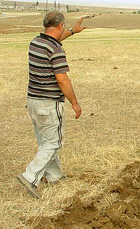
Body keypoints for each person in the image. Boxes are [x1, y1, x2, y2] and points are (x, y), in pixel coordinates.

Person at [16, 11, 87, 198]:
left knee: (46, 141)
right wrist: (75, 103)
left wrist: (73, 31)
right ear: (60, 25)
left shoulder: (36, 43)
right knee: (53, 143)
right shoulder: (55, 49)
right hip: (49, 103)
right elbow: (62, 79)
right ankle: (30, 176)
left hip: (33, 101)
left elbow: (55, 38)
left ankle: (55, 176)